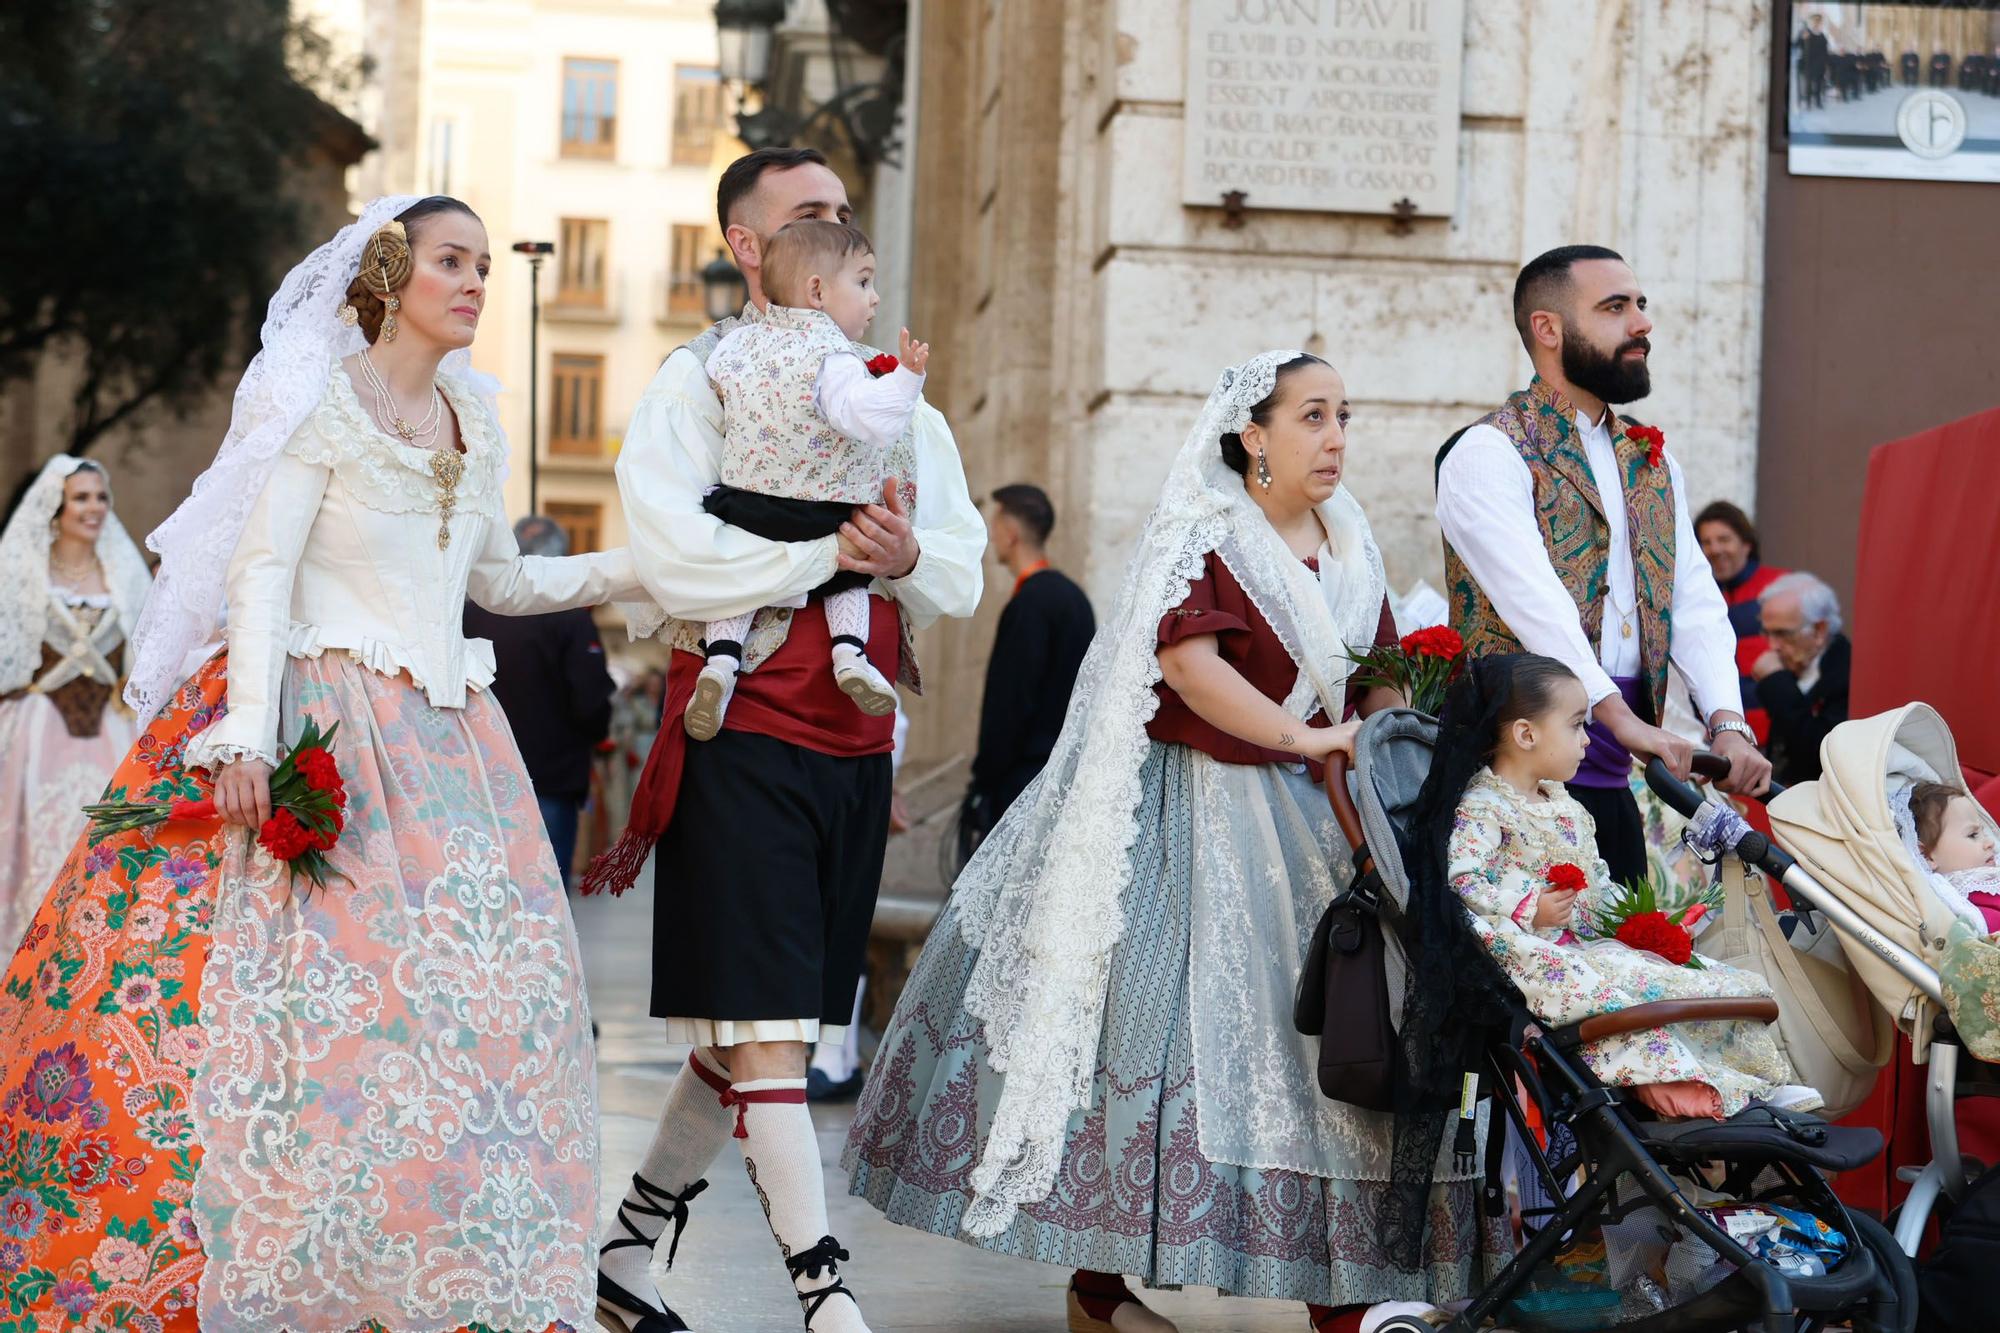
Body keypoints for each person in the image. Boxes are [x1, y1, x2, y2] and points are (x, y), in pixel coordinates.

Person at [0, 196, 642, 1332]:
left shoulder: (472, 426)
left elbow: (501, 584)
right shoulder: (321, 405)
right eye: (454, 261)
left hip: (451, 747)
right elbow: (261, 569)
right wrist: (249, 732)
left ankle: (430, 1266)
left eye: (486, 266)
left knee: (466, 1018)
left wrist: (651, 570)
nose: (478, 283)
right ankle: (287, 1255)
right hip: (324, 719)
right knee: (316, 1009)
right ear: (392, 273)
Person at [845, 352, 1495, 1333]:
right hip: (1201, 811)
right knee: (1179, 1040)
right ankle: (1101, 1292)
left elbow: (1383, 678)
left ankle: (1343, 1298)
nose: (1334, 437)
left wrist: (1383, 753)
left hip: (1324, 816)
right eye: (1312, 417)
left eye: (1343, 417)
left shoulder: (1350, 539)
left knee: (1335, 1043)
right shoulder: (1209, 536)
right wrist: (1308, 736)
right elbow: (1188, 669)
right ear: (1251, 437)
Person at [584, 146, 984, 1333]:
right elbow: (673, 551)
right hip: (737, 729)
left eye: (841, 216)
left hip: (853, 749)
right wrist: (829, 556)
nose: (834, 233)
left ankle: (626, 1248)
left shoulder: (887, 392)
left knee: (759, 1032)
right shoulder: (693, 381)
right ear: (749, 249)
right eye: (805, 217)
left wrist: (904, 559)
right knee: (763, 1032)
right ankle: (826, 1293)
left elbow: (952, 566)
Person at [1435, 244, 1770, 889]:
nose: (1642, 323)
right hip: (1507, 792)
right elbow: (1534, 604)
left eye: (1640, 305)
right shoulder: (1487, 453)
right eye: (1615, 308)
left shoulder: (1652, 461)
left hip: (1615, 779)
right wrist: (1619, 717)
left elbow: (1693, 601)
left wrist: (1727, 723)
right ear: (1549, 329)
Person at [1414, 653, 1815, 1121]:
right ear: (1526, 734)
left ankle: (1752, 1081)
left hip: (1581, 943)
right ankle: (1693, 1088)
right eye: (1578, 726)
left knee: (1693, 975)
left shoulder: (1563, 803)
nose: (1587, 740)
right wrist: (1530, 907)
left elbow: (1597, 878)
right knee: (1618, 995)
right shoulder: (1484, 807)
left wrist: (1638, 923)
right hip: (1529, 951)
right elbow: (1462, 880)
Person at [687, 219, 931, 739]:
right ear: (818, 291)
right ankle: (850, 657)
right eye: (863, 282)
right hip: (823, 509)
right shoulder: (833, 357)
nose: (876, 298)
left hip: (745, 503)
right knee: (848, 573)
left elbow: (718, 384)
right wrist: (907, 379)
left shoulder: (738, 346)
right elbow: (872, 418)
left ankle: (719, 665)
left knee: (739, 587)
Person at [0, 456, 151, 947]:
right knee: (37, 849)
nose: (94, 507)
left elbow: (151, 651)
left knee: (104, 843)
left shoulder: (124, 575)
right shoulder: (25, 572)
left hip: (112, 730)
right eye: (81, 497)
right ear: (56, 507)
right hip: (40, 731)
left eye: (101, 496)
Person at [462, 512, 617, 887]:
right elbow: (589, 699)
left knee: (485, 890)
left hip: (480, 774)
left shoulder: (471, 611)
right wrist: (595, 733)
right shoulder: (568, 615)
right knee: (544, 895)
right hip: (550, 776)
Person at [963, 482, 1094, 847]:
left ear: (1011, 533)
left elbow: (1010, 702)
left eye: (994, 528)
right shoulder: (1074, 598)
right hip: (1063, 776)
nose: (991, 538)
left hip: (1022, 783)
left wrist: (983, 779)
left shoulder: (1030, 604)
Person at [1694, 499, 1786, 744]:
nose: (1714, 549)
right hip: (1723, 741)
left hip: (1779, 741)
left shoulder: (1782, 589)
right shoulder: (1696, 600)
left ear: (1746, 544)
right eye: (1706, 542)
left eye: (1724, 539)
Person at [1752, 570, 1851, 787]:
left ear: (1819, 630)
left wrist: (1776, 682)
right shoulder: (1797, 663)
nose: (1772, 646)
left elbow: (1821, 754)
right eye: (1767, 633)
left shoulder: (1847, 672)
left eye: (1782, 634)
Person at [1907, 781, 2000, 932]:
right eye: (1973, 835)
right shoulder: (1961, 898)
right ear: (1927, 856)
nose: (1989, 843)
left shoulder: (1986, 877)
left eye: (1983, 833)